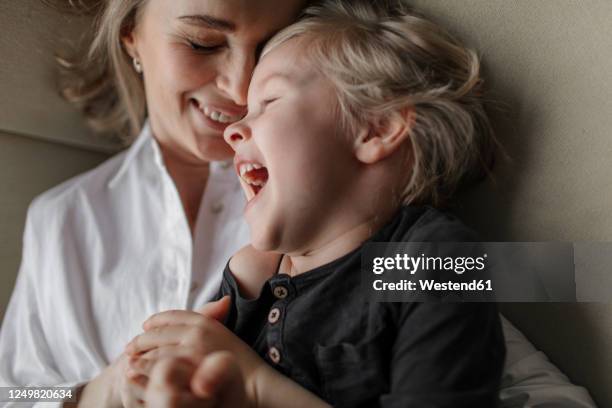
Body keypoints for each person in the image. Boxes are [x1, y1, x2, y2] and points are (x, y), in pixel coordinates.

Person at [127, 1, 508, 406]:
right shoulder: (253, 281)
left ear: (376, 128)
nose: (233, 130)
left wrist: (256, 386)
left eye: (269, 102)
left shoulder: (434, 262)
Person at [0, 1, 307, 407]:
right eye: (202, 43)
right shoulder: (61, 218)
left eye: (270, 47)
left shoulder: (339, 192)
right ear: (131, 36)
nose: (240, 87)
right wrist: (99, 392)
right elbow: (12, 394)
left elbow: (417, 280)